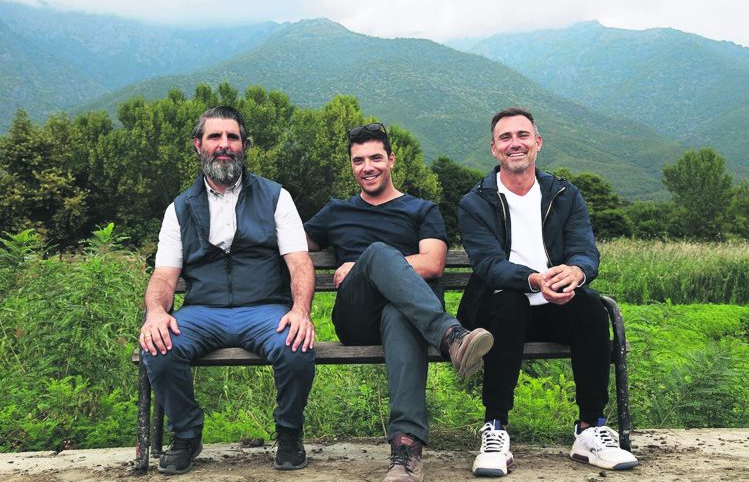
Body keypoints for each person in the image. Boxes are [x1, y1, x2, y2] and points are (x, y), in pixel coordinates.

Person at [304, 122, 494, 482]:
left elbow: (433, 263)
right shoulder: (336, 211)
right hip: (358, 317)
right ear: (351, 166)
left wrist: (365, 263)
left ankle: (405, 452)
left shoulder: (421, 210)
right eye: (358, 160)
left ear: (391, 160)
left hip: (408, 316)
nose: (367, 167)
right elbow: (291, 244)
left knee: (397, 309)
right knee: (377, 253)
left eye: (375, 158)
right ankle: (451, 336)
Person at [457, 108, 639, 477]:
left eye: (522, 135)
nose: (515, 143)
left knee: (591, 308)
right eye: (505, 137)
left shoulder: (565, 194)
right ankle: (495, 429)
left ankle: (590, 430)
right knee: (509, 304)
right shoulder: (475, 202)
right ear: (493, 149)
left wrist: (576, 272)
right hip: (499, 308)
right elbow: (488, 264)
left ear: (537, 142)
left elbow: (585, 250)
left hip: (556, 305)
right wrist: (535, 280)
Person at [139, 106, 316, 475]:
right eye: (214, 137)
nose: (224, 145)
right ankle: (187, 435)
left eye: (232, 137)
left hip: (264, 308)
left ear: (244, 145)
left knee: (296, 345)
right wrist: (156, 313)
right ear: (198, 145)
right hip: (203, 311)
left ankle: (288, 433)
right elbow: (164, 276)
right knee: (158, 346)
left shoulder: (275, 197)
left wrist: (300, 311)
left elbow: (300, 262)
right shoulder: (179, 209)